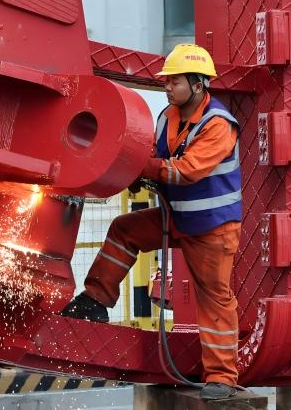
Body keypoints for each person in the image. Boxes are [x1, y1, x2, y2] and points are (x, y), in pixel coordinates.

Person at [60, 44, 242, 401]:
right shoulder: (166, 117)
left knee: (214, 299)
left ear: (199, 84)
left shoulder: (218, 125)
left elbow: (185, 171)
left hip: (211, 229)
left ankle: (222, 377)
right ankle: (95, 301)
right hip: (177, 217)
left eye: (174, 81)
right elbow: (157, 156)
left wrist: (142, 168)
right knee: (124, 230)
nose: (167, 87)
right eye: (167, 81)